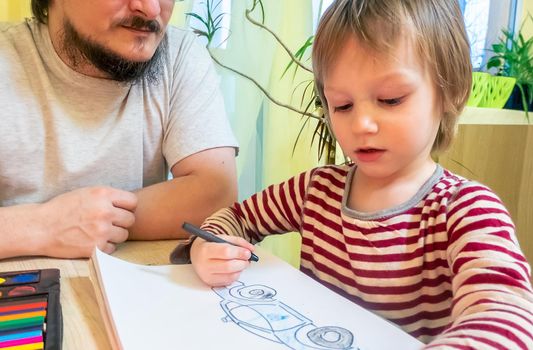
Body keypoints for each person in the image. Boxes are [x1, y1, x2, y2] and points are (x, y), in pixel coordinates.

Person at [171, 0, 533, 347]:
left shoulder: (466, 209)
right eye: (342, 105)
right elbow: (236, 218)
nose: (361, 123)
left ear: (450, 92)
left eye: (391, 99)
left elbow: (507, 318)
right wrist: (207, 247)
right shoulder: (315, 191)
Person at [0, 0, 238, 259]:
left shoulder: (179, 53)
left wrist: (95, 221)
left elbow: (215, 193)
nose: (151, 9)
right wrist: (44, 226)